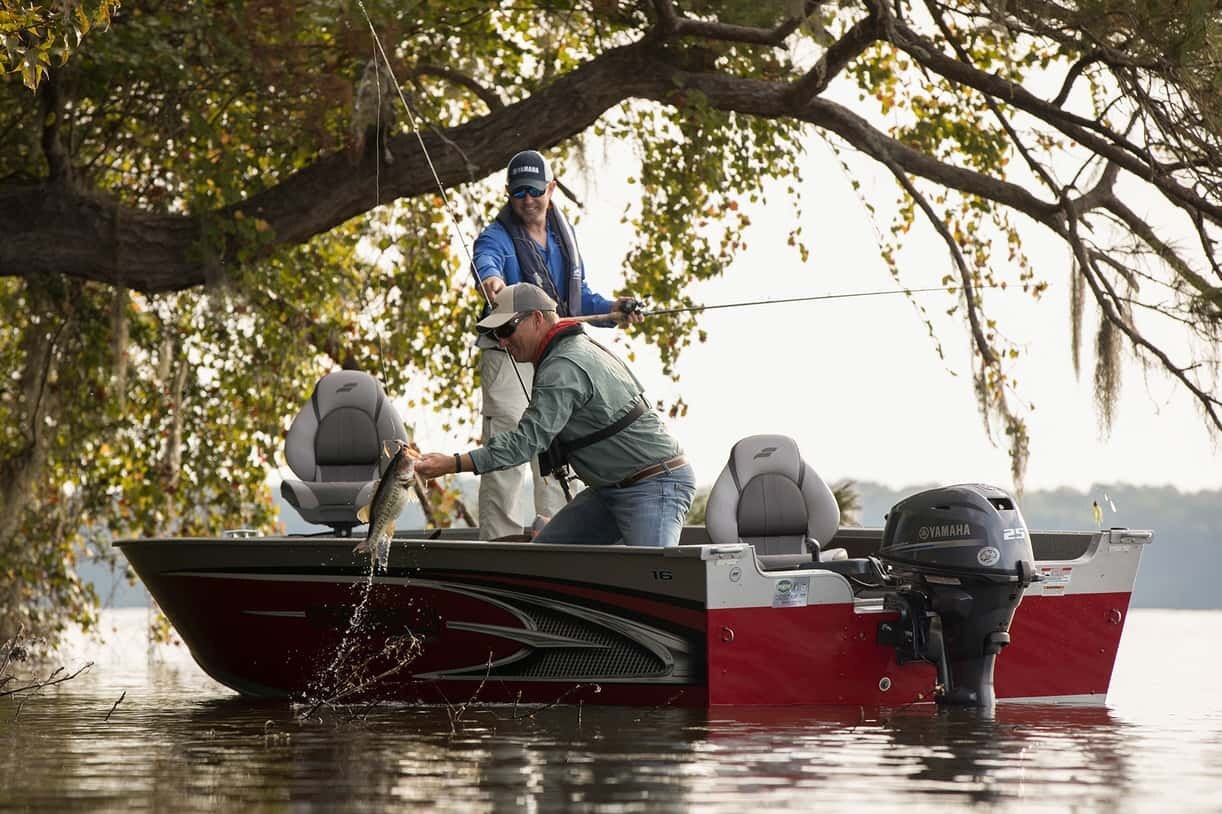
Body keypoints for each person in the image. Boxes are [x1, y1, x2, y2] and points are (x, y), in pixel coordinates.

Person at [416, 283, 694, 548]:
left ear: (537, 319)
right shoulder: (568, 351)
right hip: (608, 489)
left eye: (506, 329)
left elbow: (524, 443)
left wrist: (451, 464)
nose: (502, 342)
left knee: (652, 578)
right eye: (495, 335)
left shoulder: (562, 366)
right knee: (545, 559)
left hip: (653, 484)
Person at [470, 149, 643, 540]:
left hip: (556, 353)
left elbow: (577, 304)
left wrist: (615, 308)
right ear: (508, 194)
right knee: (509, 442)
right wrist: (493, 283)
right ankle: (499, 542)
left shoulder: (564, 237)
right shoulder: (497, 234)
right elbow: (486, 261)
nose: (527, 199)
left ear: (551, 188)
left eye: (535, 190)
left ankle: (556, 535)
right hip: (508, 353)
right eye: (518, 192)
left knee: (562, 445)